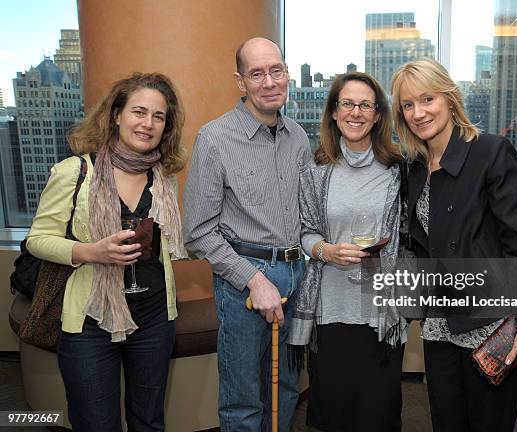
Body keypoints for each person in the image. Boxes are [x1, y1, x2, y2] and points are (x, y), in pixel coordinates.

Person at [390, 58, 517, 432]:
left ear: (449, 97)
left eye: (427, 99)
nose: (418, 112)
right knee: (446, 421)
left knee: (489, 423)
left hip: (489, 321)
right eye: (408, 105)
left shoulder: (490, 151)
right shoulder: (414, 166)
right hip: (440, 321)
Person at [26, 72, 188, 431]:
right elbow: (37, 239)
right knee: (96, 423)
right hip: (89, 321)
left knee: (148, 420)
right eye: (138, 112)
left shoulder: (162, 177)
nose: (147, 124)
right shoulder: (75, 172)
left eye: (158, 117)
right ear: (116, 115)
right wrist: (90, 251)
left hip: (154, 319)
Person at [182, 37, 311, 432]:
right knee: (243, 397)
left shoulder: (299, 138)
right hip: (244, 279)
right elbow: (198, 232)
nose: (269, 81)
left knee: (287, 386)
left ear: (287, 74)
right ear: (241, 82)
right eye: (257, 74)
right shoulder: (215, 139)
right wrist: (255, 281)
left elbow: (307, 216)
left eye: (276, 70)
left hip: (296, 275)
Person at [288, 72, 409, 432]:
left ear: (377, 115)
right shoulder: (316, 169)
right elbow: (304, 232)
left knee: (379, 414)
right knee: (334, 414)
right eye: (347, 104)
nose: (356, 113)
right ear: (334, 114)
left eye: (365, 105)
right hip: (332, 310)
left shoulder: (398, 169)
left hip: (381, 312)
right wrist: (326, 250)